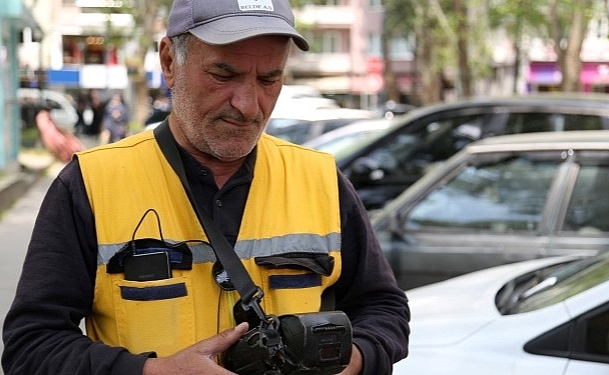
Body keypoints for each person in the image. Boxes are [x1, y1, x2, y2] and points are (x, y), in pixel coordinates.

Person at [2, 0, 410, 373]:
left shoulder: (320, 178)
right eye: (223, 74)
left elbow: (384, 309)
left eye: (269, 79)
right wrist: (153, 372)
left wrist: (352, 363)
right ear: (169, 62)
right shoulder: (90, 183)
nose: (249, 105)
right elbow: (31, 346)